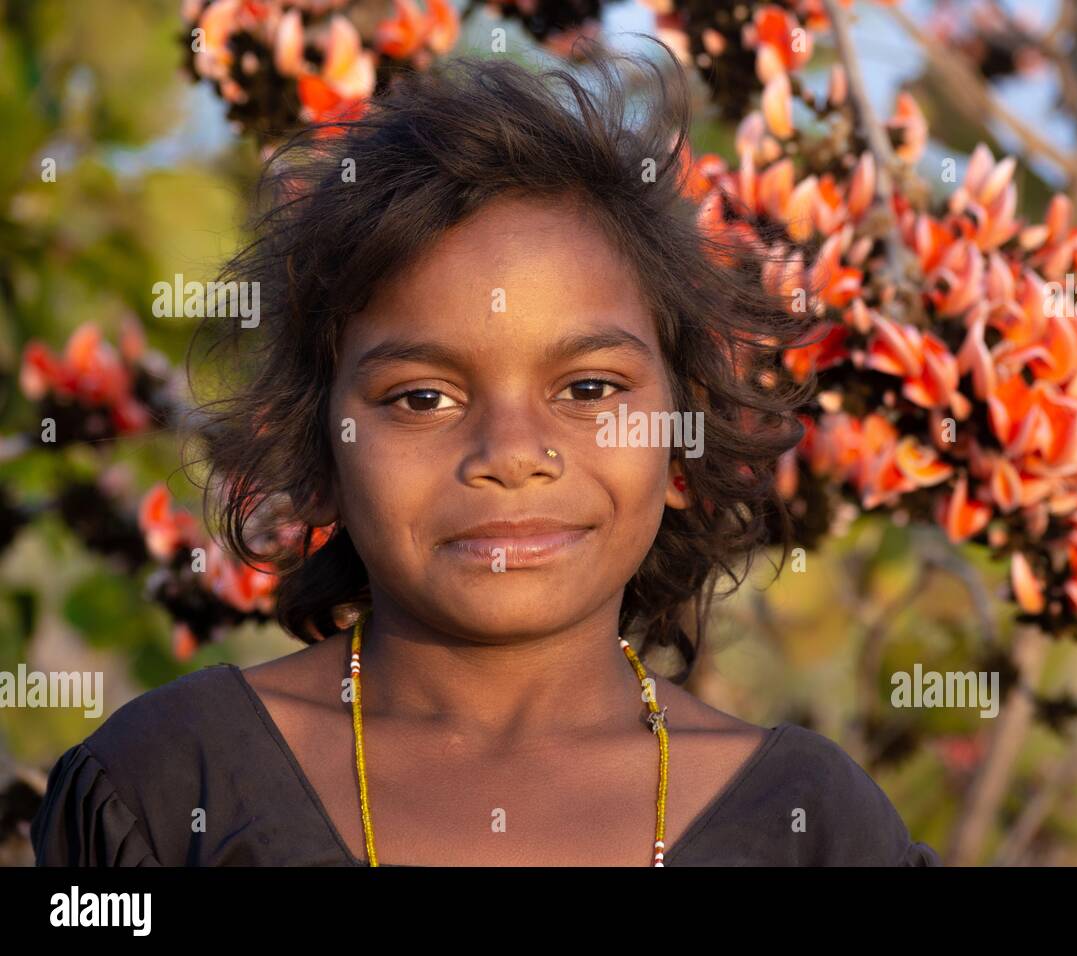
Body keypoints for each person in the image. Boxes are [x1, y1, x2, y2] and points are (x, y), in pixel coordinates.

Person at [31, 36, 940, 867]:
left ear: (679, 442)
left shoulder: (815, 827)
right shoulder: (163, 788)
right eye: (422, 399)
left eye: (589, 390)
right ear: (319, 454)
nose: (511, 454)